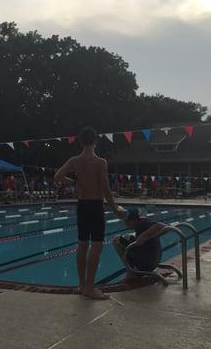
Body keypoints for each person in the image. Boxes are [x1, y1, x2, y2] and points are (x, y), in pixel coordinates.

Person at [54, 127, 125, 299]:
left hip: (82, 205)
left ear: (80, 141)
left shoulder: (75, 161)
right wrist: (114, 207)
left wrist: (74, 182)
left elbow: (57, 176)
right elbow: (105, 187)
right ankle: (90, 287)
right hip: (95, 205)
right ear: (95, 142)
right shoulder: (100, 162)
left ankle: (81, 285)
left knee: (82, 244)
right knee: (97, 245)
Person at [113, 208, 165, 279]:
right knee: (125, 237)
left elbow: (162, 225)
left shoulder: (144, 223)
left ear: (135, 219)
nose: (125, 223)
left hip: (147, 264)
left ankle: (131, 272)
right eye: (124, 221)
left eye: (128, 221)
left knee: (116, 240)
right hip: (153, 261)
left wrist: (143, 236)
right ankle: (133, 271)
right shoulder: (141, 223)